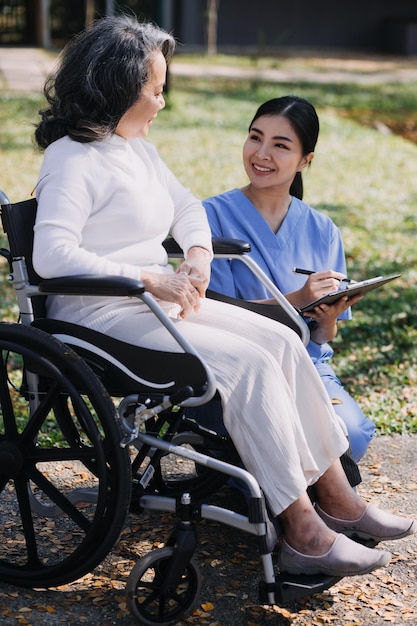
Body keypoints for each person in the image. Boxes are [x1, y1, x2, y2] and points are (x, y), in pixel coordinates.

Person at [32, 15, 415, 578]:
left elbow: (188, 209)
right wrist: (148, 277)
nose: (162, 101)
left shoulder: (137, 149)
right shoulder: (72, 158)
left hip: (153, 303)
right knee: (249, 364)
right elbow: (52, 257)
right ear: (118, 88)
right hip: (100, 313)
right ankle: (303, 533)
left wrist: (197, 255)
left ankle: (341, 500)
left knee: (283, 340)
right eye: (155, 88)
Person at [203, 96, 375, 464]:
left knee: (352, 436)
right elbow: (213, 314)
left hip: (309, 368)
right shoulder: (211, 216)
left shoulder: (322, 229)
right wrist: (296, 299)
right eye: (255, 137)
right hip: (244, 366)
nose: (261, 153)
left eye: (280, 146)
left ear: (304, 161)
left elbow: (323, 338)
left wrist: (326, 319)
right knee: (294, 440)